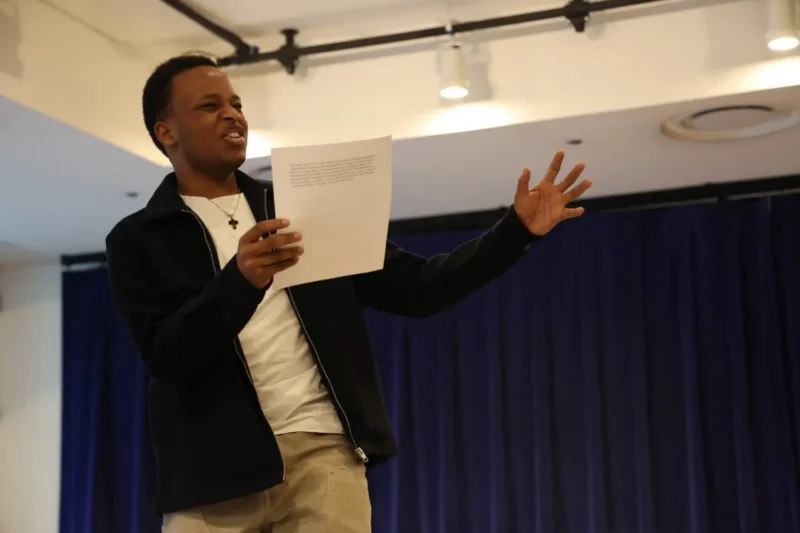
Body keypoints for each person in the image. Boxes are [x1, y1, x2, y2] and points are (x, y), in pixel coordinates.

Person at [105, 54, 592, 533]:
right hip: (213, 471)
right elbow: (168, 358)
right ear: (166, 132)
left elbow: (420, 289)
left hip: (325, 455)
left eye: (236, 103)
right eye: (210, 106)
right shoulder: (139, 238)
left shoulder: (300, 205)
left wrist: (516, 232)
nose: (233, 114)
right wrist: (239, 283)